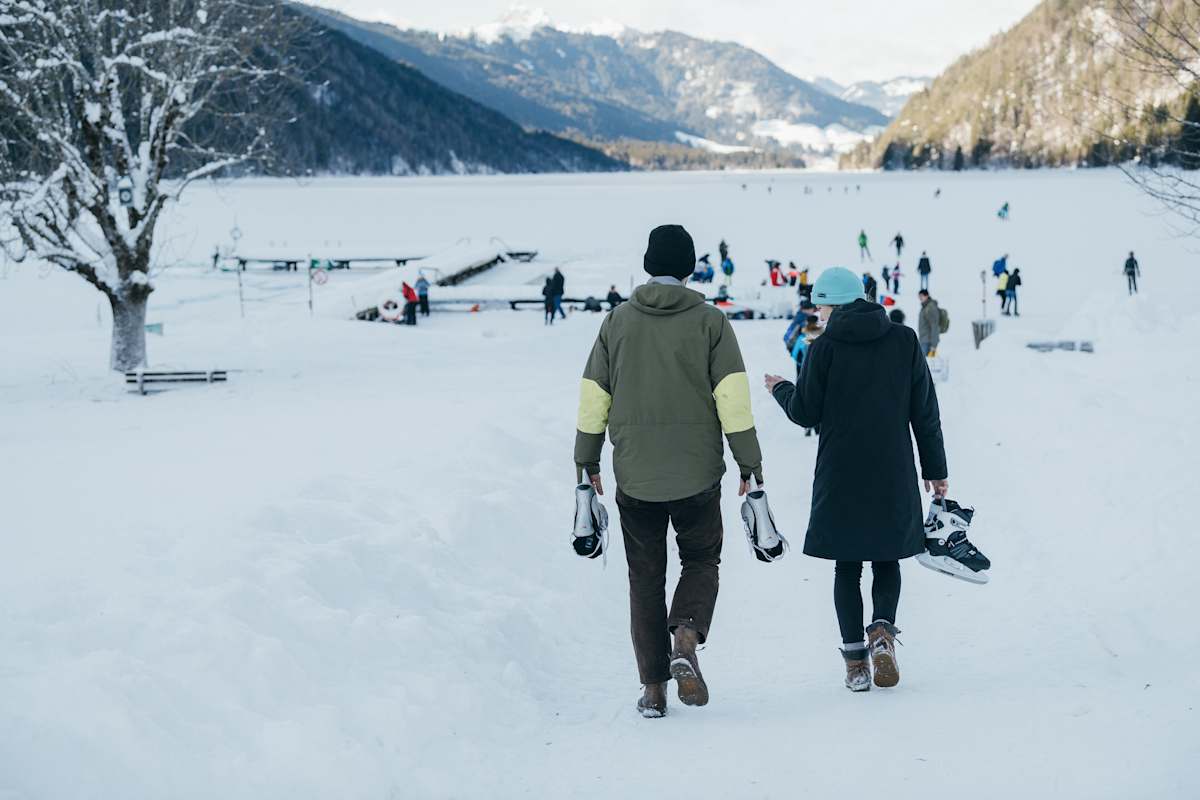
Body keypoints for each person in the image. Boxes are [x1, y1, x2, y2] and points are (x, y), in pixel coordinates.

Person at [574, 224, 764, 719]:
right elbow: (734, 400)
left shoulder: (616, 322)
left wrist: (585, 460)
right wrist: (750, 462)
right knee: (701, 560)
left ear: (647, 263)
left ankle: (654, 690)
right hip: (697, 475)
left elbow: (595, 397)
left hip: (635, 477)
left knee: (644, 578)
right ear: (691, 267)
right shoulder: (710, 322)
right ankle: (685, 633)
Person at [762, 267, 948, 693]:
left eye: (821, 306)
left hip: (841, 472)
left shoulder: (823, 348)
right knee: (886, 559)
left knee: (847, 566)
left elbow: (806, 412)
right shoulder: (903, 340)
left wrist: (780, 389)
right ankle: (882, 632)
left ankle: (856, 667)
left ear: (835, 303)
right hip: (893, 470)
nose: (819, 314)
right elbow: (925, 412)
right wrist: (935, 471)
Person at [917, 290, 940, 356]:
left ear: (927, 296)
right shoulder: (925, 307)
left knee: (924, 363)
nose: (920, 298)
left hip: (928, 341)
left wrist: (934, 344)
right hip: (923, 339)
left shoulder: (930, 308)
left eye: (922, 296)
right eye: (919, 296)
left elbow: (934, 326)